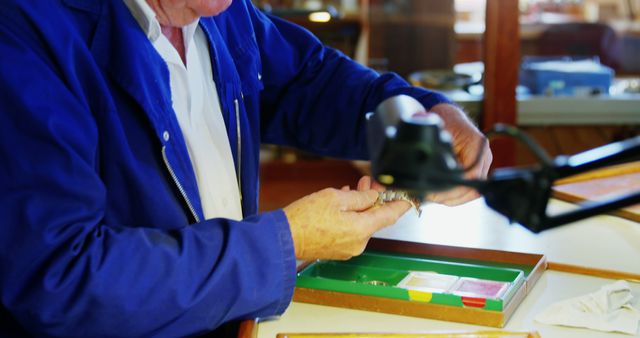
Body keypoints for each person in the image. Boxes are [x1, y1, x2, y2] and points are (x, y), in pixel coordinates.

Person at [0, 0, 492, 336]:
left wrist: (428, 114)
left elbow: (314, 83)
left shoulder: (221, 13)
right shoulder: (26, 33)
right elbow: (60, 278)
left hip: (235, 321)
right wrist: (286, 243)